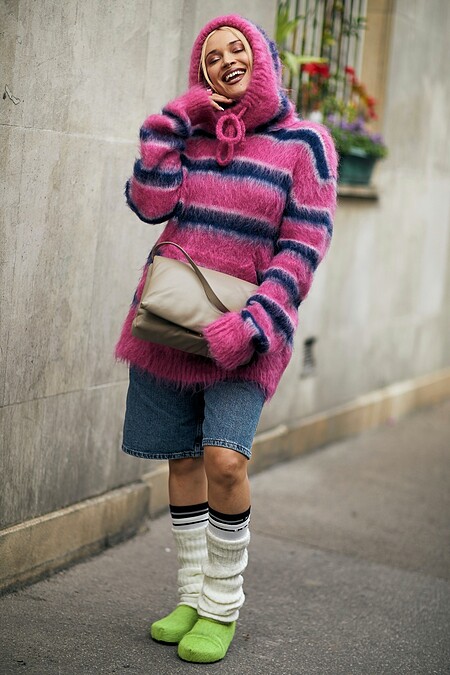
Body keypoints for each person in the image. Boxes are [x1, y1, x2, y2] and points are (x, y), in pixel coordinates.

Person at [115, 13, 337, 664]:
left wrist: (254, 325)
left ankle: (220, 604)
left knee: (224, 461)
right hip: (167, 321)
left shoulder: (305, 143)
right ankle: (190, 594)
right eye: (211, 57)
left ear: (262, 59)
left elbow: (303, 246)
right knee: (181, 461)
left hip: (247, 333)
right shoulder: (192, 134)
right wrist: (176, 119)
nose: (225, 61)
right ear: (201, 73)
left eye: (237, 48)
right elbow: (148, 203)